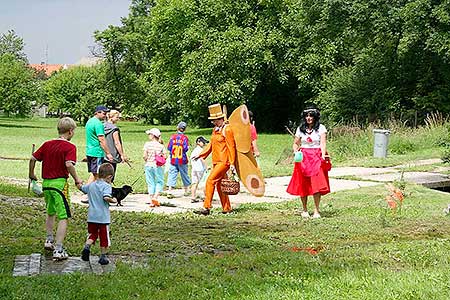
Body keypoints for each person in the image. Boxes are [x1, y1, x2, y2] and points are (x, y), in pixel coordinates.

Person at [28, 117, 83, 260]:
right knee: (64, 216)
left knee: (50, 212)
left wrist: (31, 174)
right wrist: (77, 179)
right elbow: (69, 165)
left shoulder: (47, 144)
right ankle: (58, 249)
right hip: (59, 185)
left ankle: (49, 240)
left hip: (46, 184)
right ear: (70, 131)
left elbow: (33, 159)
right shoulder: (70, 147)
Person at [286, 106, 330, 219]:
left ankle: (316, 210)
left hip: (316, 156)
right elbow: (296, 143)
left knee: (317, 183)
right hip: (303, 157)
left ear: (315, 116)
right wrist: (296, 152)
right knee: (303, 183)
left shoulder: (321, 128)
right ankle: (304, 209)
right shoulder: (300, 129)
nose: (309, 118)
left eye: (311, 115)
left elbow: (323, 143)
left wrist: (323, 155)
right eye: (307, 116)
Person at [193, 104, 236, 215]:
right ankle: (227, 208)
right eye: (212, 120)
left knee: (210, 181)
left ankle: (206, 207)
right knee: (220, 184)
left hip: (224, 161)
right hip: (216, 161)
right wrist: (201, 155)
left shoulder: (227, 130)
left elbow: (231, 147)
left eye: (215, 120)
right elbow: (211, 144)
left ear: (221, 119)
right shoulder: (215, 130)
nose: (213, 122)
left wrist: (232, 163)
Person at [80, 163, 117, 265]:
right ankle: (103, 256)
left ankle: (87, 246)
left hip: (91, 216)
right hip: (103, 218)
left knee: (93, 234)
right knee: (104, 237)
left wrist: (78, 183)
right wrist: (113, 200)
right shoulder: (107, 186)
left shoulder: (91, 184)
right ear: (109, 177)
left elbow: (82, 188)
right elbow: (106, 197)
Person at [85, 105, 113, 185]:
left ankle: (87, 191)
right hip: (97, 152)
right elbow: (101, 139)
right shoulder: (98, 124)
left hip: (89, 151)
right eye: (104, 113)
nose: (105, 115)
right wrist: (108, 153)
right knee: (98, 175)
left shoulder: (89, 122)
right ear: (97, 113)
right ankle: (94, 193)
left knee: (93, 174)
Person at [143, 128, 166, 207]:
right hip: (157, 166)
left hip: (148, 165)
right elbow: (165, 156)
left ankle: (151, 200)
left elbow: (144, 156)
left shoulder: (147, 144)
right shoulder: (161, 146)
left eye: (149, 134)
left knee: (150, 182)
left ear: (153, 136)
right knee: (160, 181)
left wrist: (147, 159)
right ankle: (155, 197)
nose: (149, 135)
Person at [166, 121, 191, 194]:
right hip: (182, 159)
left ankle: (169, 191)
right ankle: (187, 190)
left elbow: (169, 147)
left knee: (172, 173)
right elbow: (185, 148)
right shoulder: (184, 138)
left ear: (177, 128)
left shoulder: (172, 137)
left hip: (173, 159)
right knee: (184, 174)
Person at [104, 109, 128, 182]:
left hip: (103, 153)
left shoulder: (102, 126)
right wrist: (122, 155)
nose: (118, 119)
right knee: (110, 175)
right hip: (112, 154)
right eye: (117, 117)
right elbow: (117, 143)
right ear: (111, 117)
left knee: (103, 174)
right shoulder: (114, 129)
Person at [190, 136, 209, 203]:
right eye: (202, 142)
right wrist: (206, 167)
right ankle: (206, 197)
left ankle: (193, 197)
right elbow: (202, 159)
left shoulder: (194, 150)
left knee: (194, 183)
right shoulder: (200, 150)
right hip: (200, 169)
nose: (204, 144)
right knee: (204, 183)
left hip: (194, 169)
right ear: (198, 142)